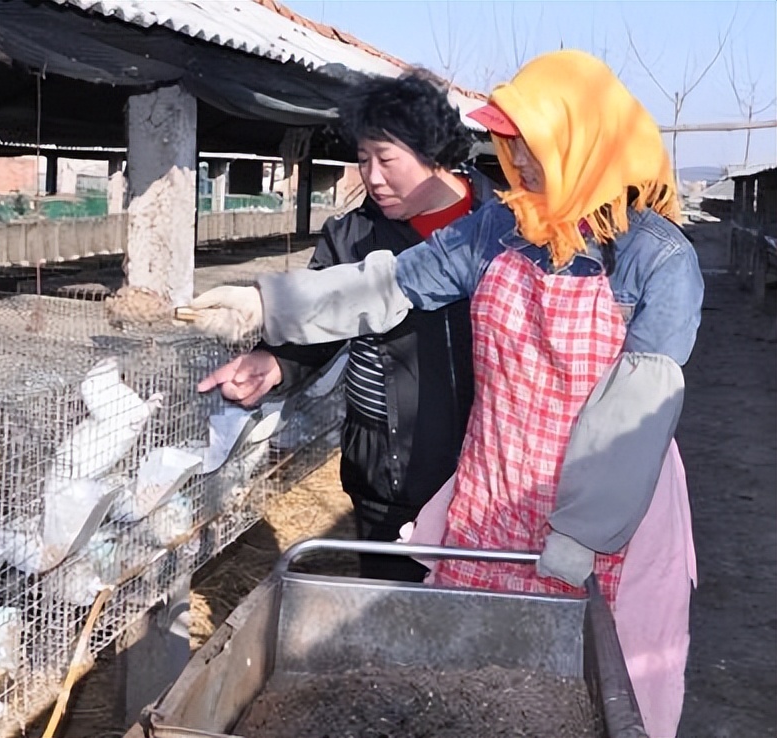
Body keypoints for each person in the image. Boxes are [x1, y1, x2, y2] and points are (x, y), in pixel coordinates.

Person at [186, 50, 700, 738]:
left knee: (596, 689)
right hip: (497, 487)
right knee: (477, 682)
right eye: (509, 144)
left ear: (586, 140)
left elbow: (640, 407)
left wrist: (583, 529)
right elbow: (390, 285)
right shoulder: (501, 229)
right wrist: (266, 304)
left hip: (612, 508)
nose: (517, 159)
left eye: (531, 143)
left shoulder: (658, 258)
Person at [198, 73, 497, 582]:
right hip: (388, 469)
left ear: (433, 150)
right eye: (363, 159)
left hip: (486, 467)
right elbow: (321, 321)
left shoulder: (500, 228)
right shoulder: (352, 235)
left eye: (386, 158)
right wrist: (273, 362)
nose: (373, 177)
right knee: (386, 611)